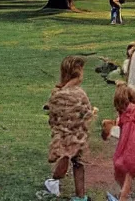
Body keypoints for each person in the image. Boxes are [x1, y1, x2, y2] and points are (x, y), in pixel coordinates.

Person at [43, 56, 96, 201]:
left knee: (65, 153)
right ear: (78, 74)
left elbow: (53, 116)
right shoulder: (80, 94)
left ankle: (55, 179)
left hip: (63, 135)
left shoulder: (57, 94)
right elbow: (87, 114)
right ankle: (81, 196)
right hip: (78, 136)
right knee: (78, 164)